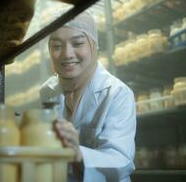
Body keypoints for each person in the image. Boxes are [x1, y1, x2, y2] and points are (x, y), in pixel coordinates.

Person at [40, 11, 136, 182]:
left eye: (77, 43)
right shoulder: (47, 91)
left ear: (93, 45)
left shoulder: (117, 93)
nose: (67, 54)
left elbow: (121, 163)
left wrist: (78, 153)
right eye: (56, 46)